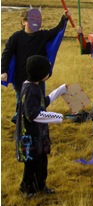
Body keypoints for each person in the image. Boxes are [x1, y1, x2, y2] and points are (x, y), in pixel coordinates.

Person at [1, 8, 70, 123]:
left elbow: (56, 31)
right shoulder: (16, 37)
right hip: (21, 77)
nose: (35, 22)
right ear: (23, 22)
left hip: (38, 78)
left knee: (39, 101)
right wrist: (3, 71)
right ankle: (21, 125)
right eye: (31, 19)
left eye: (37, 19)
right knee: (22, 102)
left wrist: (64, 18)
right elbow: (7, 53)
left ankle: (39, 125)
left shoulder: (42, 35)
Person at [16, 55, 67, 198]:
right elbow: (33, 114)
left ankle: (40, 185)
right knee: (31, 164)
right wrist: (56, 117)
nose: (49, 73)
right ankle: (28, 189)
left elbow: (44, 102)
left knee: (41, 161)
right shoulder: (30, 89)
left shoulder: (34, 86)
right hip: (30, 136)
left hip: (39, 135)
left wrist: (60, 90)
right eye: (47, 71)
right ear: (40, 72)